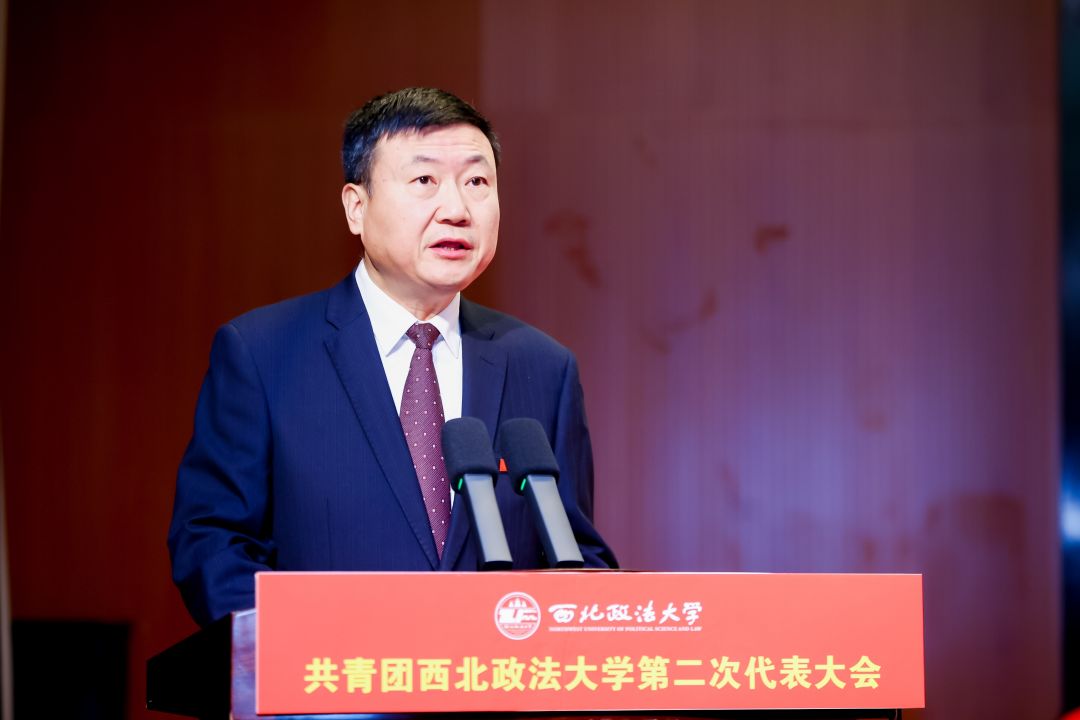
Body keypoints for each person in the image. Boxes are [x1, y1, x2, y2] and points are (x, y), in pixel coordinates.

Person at [168, 87, 617, 627]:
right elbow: (212, 544)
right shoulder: (263, 355)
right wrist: (308, 649)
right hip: (331, 675)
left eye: (477, 182)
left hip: (492, 678)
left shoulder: (543, 368)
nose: (457, 210)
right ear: (356, 208)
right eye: (425, 180)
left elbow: (576, 557)